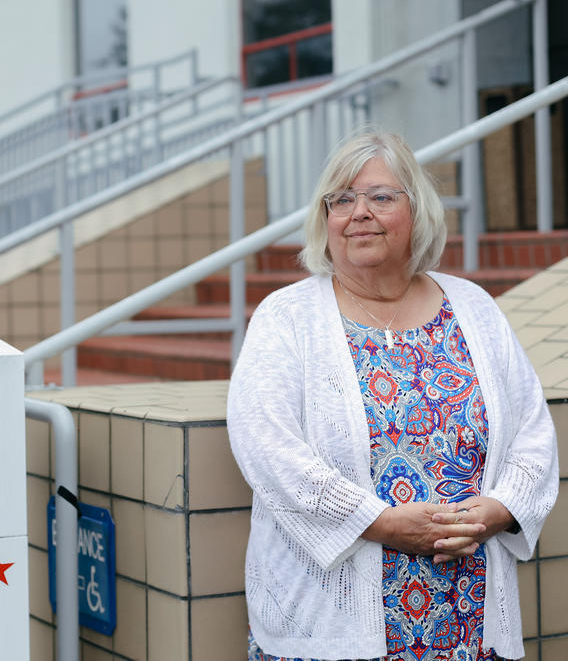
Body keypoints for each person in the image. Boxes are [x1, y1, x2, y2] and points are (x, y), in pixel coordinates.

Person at [226, 129, 558, 661]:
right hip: (331, 630)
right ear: (325, 218)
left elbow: (532, 431)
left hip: (470, 624)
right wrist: (379, 524)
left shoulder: (472, 306)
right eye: (341, 199)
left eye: (380, 197)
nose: (359, 212)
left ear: (417, 211)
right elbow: (266, 447)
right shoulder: (287, 318)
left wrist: (499, 509)